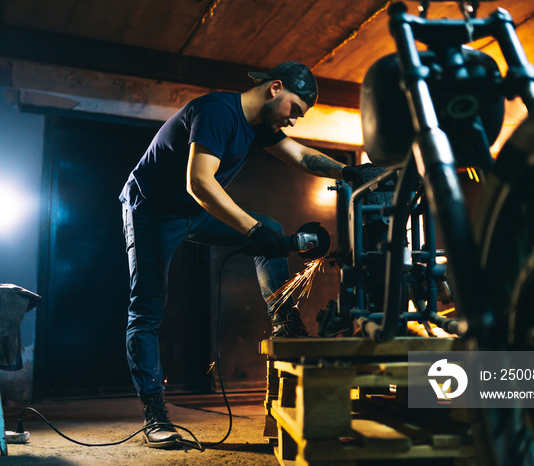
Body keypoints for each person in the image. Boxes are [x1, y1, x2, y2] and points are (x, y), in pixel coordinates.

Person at [119, 61, 369, 448]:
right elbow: (199, 182)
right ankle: (155, 414)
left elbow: (301, 157)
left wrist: (350, 174)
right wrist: (254, 232)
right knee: (148, 308)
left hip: (192, 212)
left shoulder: (260, 127)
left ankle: (283, 319)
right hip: (151, 211)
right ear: (275, 88)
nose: (293, 122)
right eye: (294, 111)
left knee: (268, 225)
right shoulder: (217, 111)